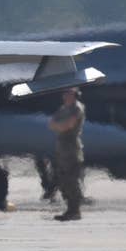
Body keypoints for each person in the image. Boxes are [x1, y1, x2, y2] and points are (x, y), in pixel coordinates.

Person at [47, 87, 86, 221]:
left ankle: (75, 211)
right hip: (62, 149)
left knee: (71, 181)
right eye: (64, 94)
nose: (65, 96)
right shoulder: (63, 109)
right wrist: (60, 126)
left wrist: (59, 126)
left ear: (74, 95)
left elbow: (68, 125)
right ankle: (70, 210)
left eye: (68, 93)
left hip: (72, 149)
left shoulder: (77, 108)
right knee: (63, 180)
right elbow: (51, 124)